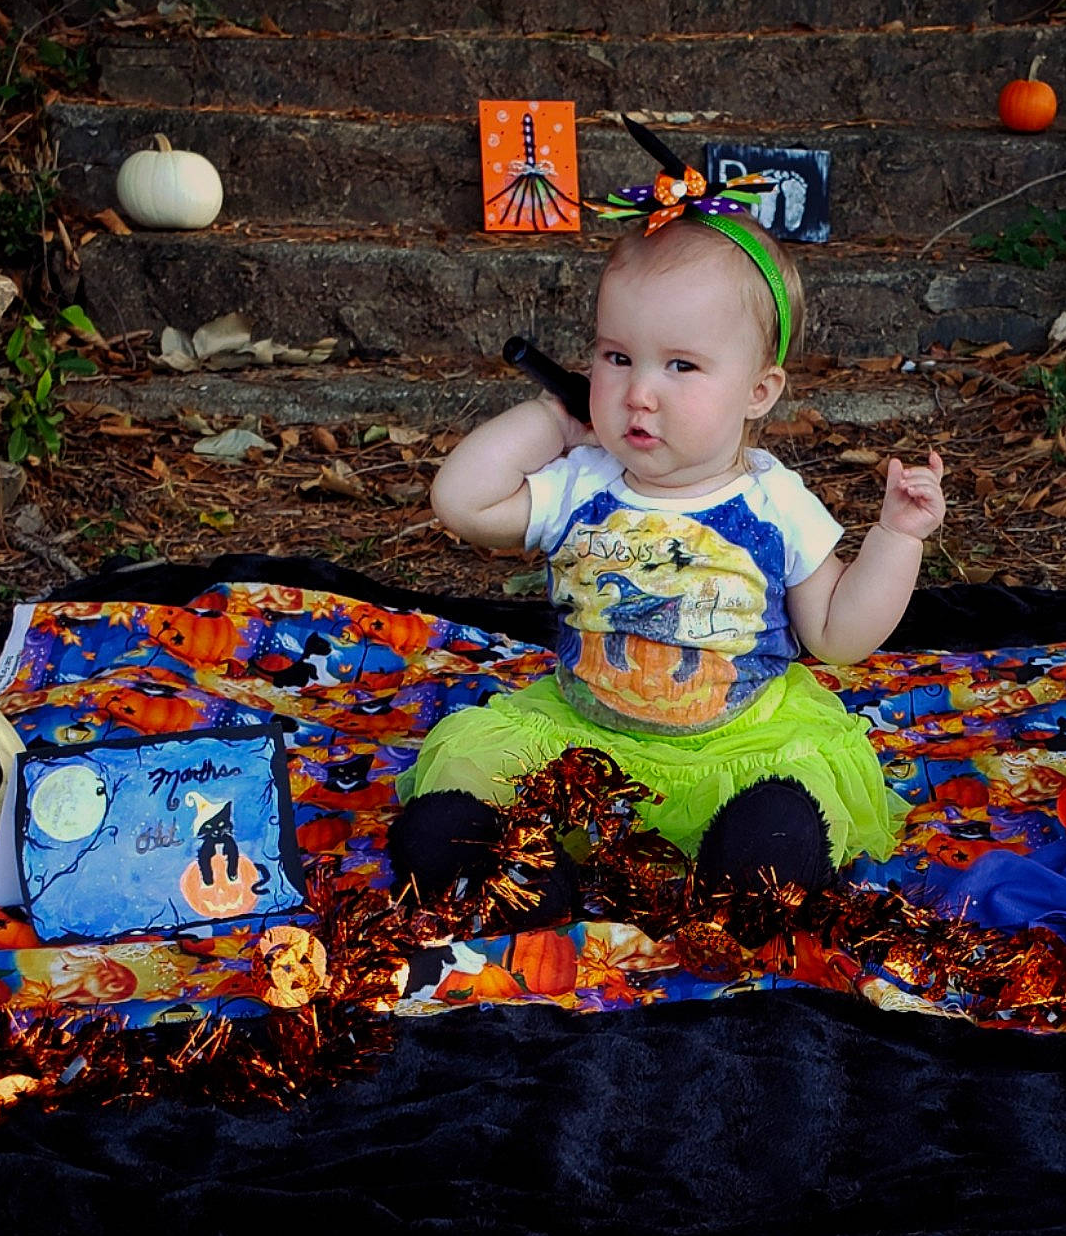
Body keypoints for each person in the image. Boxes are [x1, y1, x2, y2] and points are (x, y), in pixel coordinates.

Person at [390, 200, 946, 925]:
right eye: (616, 357)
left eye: (680, 365)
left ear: (758, 391)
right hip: (581, 743)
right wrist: (555, 419)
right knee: (451, 808)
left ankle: (747, 873)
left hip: (737, 744)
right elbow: (461, 502)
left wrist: (898, 539)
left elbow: (840, 637)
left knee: (780, 820)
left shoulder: (775, 502)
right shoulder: (581, 483)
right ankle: (524, 880)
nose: (638, 393)